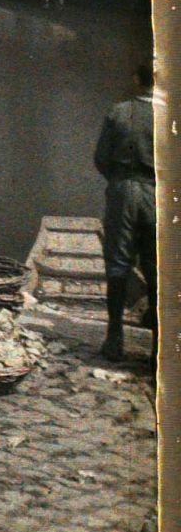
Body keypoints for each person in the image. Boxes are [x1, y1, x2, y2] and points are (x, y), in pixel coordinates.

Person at [94, 63, 157, 361]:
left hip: (122, 192)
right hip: (158, 194)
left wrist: (119, 182)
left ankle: (114, 339)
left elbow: (101, 159)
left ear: (136, 79)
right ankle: (159, 344)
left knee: (118, 264)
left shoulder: (118, 112)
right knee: (156, 266)